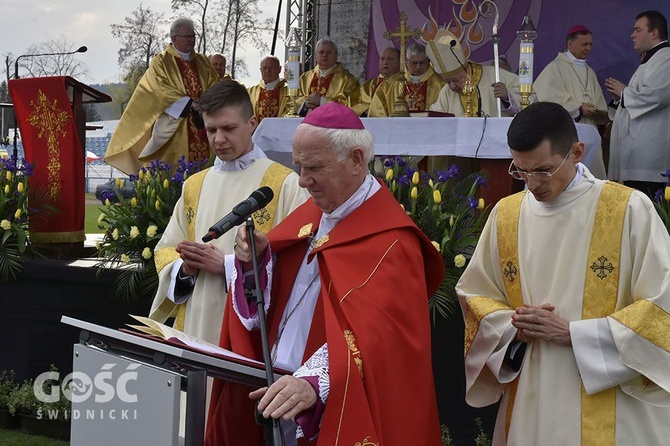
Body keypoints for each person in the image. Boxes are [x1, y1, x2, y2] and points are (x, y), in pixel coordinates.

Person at [206, 102, 444, 445]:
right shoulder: (313, 212)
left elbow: (376, 337)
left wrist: (312, 382)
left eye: (314, 167)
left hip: (322, 403)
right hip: (274, 391)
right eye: (299, 166)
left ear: (356, 160)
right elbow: (272, 303)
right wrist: (256, 262)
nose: (303, 181)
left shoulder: (393, 241)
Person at [456, 101, 670, 445]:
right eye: (520, 171)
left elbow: (663, 306)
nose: (532, 185)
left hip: (607, 399)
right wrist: (514, 329)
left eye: (543, 170)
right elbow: (477, 296)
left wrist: (576, 334)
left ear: (577, 153)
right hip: (530, 392)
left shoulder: (627, 209)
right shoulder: (506, 215)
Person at [149, 78, 308, 347]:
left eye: (229, 128)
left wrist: (227, 266)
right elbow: (166, 250)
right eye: (211, 130)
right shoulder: (194, 186)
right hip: (195, 322)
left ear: (252, 123)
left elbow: (301, 263)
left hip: (251, 330)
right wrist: (184, 268)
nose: (219, 139)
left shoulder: (284, 184)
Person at [104, 17, 219, 174]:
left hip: (202, 124)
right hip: (175, 128)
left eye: (193, 36)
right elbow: (159, 89)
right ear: (174, 38)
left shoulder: (203, 61)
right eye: (187, 37)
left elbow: (214, 85)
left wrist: (205, 104)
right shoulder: (162, 60)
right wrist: (190, 104)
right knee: (174, 173)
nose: (191, 40)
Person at [606, 10, 670, 198]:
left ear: (654, 33)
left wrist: (624, 92)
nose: (632, 35)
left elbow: (657, 95)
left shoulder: (665, 58)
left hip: (648, 157)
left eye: (637, 30)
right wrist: (621, 98)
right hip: (637, 152)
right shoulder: (652, 60)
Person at [534, 25, 609, 179]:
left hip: (590, 128)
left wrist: (598, 112)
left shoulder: (590, 71)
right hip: (567, 130)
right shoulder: (555, 67)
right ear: (570, 44)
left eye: (590, 44)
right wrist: (579, 108)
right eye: (584, 44)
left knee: (591, 176)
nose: (588, 48)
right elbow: (547, 97)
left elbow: (599, 101)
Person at [426, 29, 522, 117]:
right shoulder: (447, 92)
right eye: (448, 82)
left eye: (455, 80)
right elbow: (435, 117)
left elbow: (529, 96)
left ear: (467, 71)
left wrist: (507, 96)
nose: (452, 86)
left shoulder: (495, 76)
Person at [368, 43, 445, 116]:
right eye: (414, 63)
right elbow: (377, 113)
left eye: (421, 63)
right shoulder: (388, 86)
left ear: (428, 62)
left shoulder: (440, 85)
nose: (418, 67)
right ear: (406, 62)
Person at [296, 38, 359, 116]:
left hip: (333, 124)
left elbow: (349, 104)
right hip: (307, 124)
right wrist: (305, 103)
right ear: (315, 56)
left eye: (329, 52)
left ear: (336, 56)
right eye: (321, 52)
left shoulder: (348, 80)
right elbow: (295, 99)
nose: (324, 55)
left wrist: (322, 101)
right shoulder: (305, 78)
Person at [350, 46, 402, 116]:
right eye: (382, 59)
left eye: (390, 59)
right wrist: (366, 109)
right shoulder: (368, 85)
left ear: (400, 62)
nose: (385, 62)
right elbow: (354, 105)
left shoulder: (402, 84)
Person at [247, 55, 289, 122]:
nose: (267, 71)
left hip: (280, 130)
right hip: (256, 131)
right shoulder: (251, 92)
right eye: (264, 68)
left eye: (271, 67)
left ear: (279, 69)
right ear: (260, 70)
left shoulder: (289, 90)